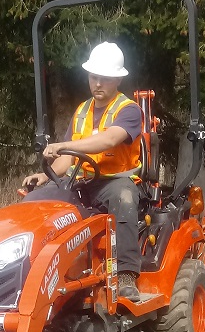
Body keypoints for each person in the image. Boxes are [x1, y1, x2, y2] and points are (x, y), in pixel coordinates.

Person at [22, 41, 143, 301]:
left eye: (104, 78)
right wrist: (44, 176)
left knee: (124, 198)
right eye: (93, 77)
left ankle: (126, 275)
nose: (97, 83)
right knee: (36, 201)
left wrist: (64, 144)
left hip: (114, 181)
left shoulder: (129, 110)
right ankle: (27, 269)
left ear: (117, 80)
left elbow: (109, 140)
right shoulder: (82, 111)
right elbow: (67, 158)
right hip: (80, 180)